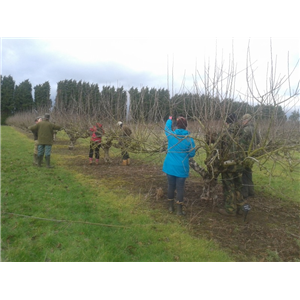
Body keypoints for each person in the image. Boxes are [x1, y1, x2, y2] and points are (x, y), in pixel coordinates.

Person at [162, 116, 196, 216]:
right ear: (186, 126)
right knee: (180, 188)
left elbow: (166, 128)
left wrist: (169, 119)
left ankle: (170, 207)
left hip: (170, 166)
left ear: (176, 126)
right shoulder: (189, 140)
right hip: (182, 168)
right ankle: (179, 211)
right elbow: (192, 154)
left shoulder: (171, 135)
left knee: (171, 186)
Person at [218, 113, 246, 217]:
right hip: (240, 164)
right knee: (238, 185)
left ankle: (230, 209)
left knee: (228, 187)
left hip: (228, 165)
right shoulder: (242, 132)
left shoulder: (226, 134)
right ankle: (240, 208)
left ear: (227, 122)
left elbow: (219, 148)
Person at [239, 113, 260, 201]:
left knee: (243, 173)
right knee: (248, 172)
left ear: (246, 120)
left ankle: (245, 193)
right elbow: (258, 140)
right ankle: (251, 191)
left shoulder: (246, 130)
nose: (242, 122)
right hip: (252, 154)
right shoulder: (255, 129)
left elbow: (240, 142)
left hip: (245, 154)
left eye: (243, 120)